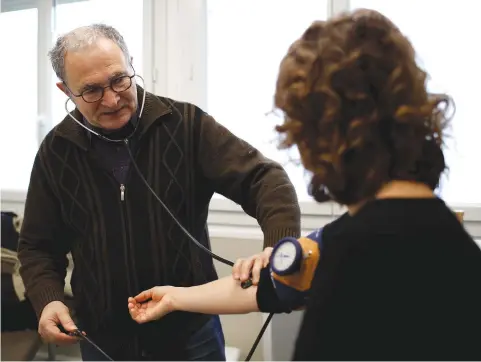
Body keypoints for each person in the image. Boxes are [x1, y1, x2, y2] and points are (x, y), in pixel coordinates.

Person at [128, 9, 481, 361]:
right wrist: (175, 297)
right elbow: (271, 286)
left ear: (321, 134)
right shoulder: (451, 244)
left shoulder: (351, 256)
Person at [17, 23, 301, 361]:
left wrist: (278, 248)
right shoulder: (56, 152)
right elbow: (37, 246)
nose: (111, 99)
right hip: (104, 339)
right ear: (66, 91)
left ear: (130, 64)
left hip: (191, 336)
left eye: (119, 79)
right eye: (91, 91)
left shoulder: (186, 124)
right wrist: (48, 299)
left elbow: (265, 180)